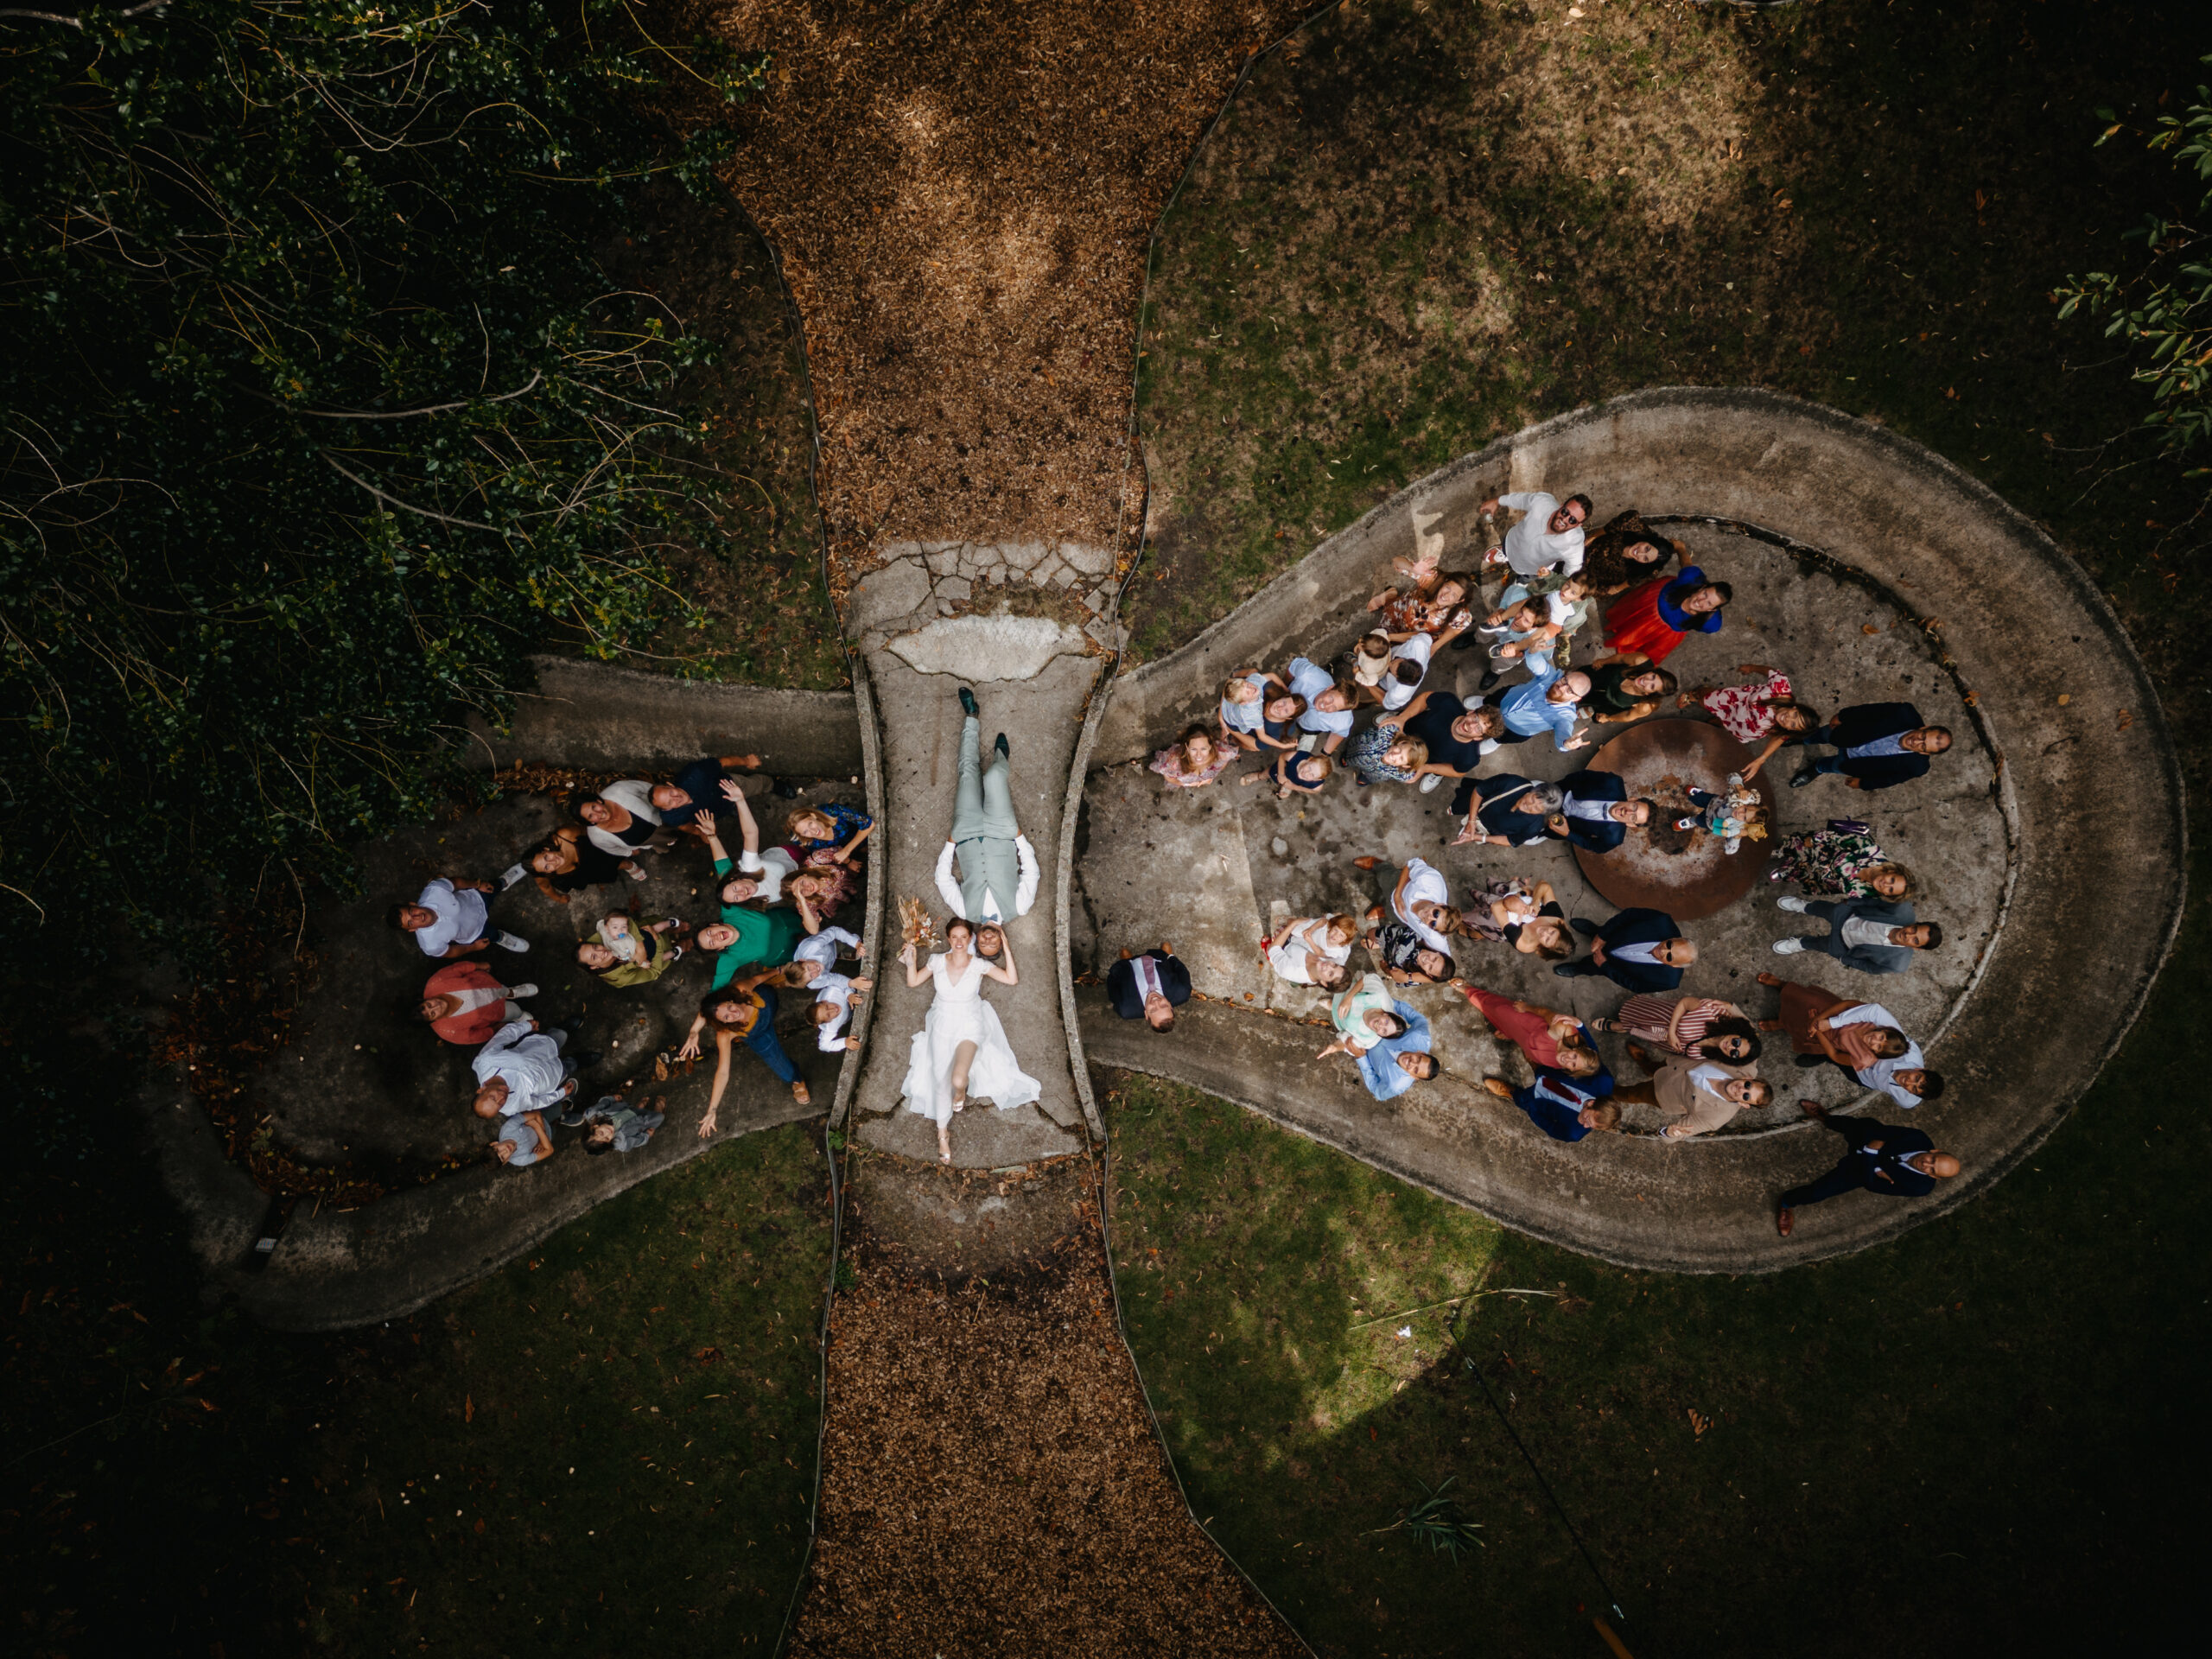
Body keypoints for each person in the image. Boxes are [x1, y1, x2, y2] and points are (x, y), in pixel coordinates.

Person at [898, 917, 1039, 1164]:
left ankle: (960, 1092)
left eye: (964, 937)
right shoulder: (937, 961)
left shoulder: (979, 966)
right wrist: (911, 960)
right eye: (955, 937)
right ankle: (943, 1134)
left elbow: (1011, 979)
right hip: (941, 1024)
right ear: (949, 938)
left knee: (958, 1079)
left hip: (969, 1025)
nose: (960, 942)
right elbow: (913, 982)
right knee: (940, 1080)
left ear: (970, 939)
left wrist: (1005, 945)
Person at [1755, 974, 1943, 1109]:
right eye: (1917, 1078)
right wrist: (1828, 1023)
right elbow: (1873, 1011)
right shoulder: (1905, 1049)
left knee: (1829, 1052)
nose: (1909, 1082)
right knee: (1814, 1008)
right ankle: (1782, 986)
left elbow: (1838, 1057)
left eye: (1914, 1089)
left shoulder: (1907, 1100)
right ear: (1920, 1069)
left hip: (1860, 1073)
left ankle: (1790, 1030)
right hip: (1855, 1039)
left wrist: (1820, 1029)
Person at [937, 687, 1041, 926]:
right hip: (1003, 833)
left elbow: (943, 880)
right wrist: (1019, 838)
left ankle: (971, 717)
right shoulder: (1020, 908)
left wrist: (950, 843)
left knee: (967, 773)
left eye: (984, 945)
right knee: (993, 776)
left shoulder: (965, 912)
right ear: (1000, 941)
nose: (988, 941)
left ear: (978, 941)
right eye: (993, 945)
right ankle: (1000, 759)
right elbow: (1031, 873)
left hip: (966, 835)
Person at [1775, 1101, 1961, 1236]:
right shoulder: (1918, 1138)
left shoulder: (1921, 1187)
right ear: (1935, 1150)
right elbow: (1878, 1133)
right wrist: (1877, 1168)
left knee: (1817, 1193)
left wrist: (1872, 1155)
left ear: (1936, 1177)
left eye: (1932, 1170)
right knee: (1858, 1127)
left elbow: (1872, 1186)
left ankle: (1786, 1203)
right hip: (1865, 1142)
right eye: (1932, 1159)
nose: (1926, 1164)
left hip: (1860, 1170)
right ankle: (1824, 1117)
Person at [682, 964, 812, 1138]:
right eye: (727, 1017)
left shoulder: (742, 990)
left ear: (730, 999)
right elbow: (722, 1072)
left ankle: (780, 982)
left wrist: (779, 971)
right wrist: (712, 1109)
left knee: (770, 985)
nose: (733, 1013)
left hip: (768, 1002)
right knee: (785, 1071)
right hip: (759, 1035)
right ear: (724, 1023)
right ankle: (797, 1081)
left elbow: (758, 979)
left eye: (729, 1007)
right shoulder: (724, 1035)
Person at [696, 810, 809, 973]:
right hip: (802, 882)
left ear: (713, 925)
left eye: (710, 933)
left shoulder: (748, 868)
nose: (740, 893)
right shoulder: (744, 901)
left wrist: (713, 837)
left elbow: (723, 868)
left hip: (793, 860)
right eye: (712, 943)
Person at [1682, 664, 1817, 779]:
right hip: (1737, 702)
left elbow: (1780, 738)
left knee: (1721, 726)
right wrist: (1752, 668)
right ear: (1795, 707)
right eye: (1794, 715)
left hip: (1744, 728)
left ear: (1791, 730)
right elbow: (1771, 672)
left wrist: (1761, 759)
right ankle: (1694, 694)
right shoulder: (1780, 687)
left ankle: (1718, 722)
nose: (1788, 719)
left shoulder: (1781, 729)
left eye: (1793, 724)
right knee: (1705, 700)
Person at [1456, 984, 1610, 1084]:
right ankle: (1469, 990)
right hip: (1526, 1022)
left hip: (1522, 1038)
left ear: (1573, 1071)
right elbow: (1545, 1013)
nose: (1568, 1059)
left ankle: (1508, 1032)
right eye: (1575, 1056)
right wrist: (1526, 1007)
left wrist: (1513, 1036)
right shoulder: (1565, 1030)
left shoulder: (1559, 1066)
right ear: (1577, 1049)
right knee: (1496, 1008)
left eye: (1573, 1064)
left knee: (1503, 1027)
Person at [1787, 703, 1952, 791]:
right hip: (1847, 733)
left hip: (1857, 763)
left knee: (1834, 765)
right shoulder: (1904, 712)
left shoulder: (1917, 767)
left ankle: (1817, 768)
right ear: (1923, 728)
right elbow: (1869, 711)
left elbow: (1889, 779)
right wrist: (1843, 716)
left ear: (1924, 752)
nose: (1915, 741)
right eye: (1922, 736)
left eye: (1922, 745)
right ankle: (1804, 739)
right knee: (1823, 735)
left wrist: (1863, 784)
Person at [1611, 1052, 1772, 1138]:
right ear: (1749, 1078)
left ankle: (1605, 1089)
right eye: (1748, 1086)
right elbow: (1749, 1031)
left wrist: (1669, 1133)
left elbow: (1677, 1135)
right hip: (1675, 1064)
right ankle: (1645, 1064)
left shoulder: (1715, 1118)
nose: (1741, 1089)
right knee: (1654, 1067)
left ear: (1744, 1105)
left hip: (1663, 1093)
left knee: (1632, 1094)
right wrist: (1727, 1005)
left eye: (1746, 1096)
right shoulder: (1746, 1066)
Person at [1398, 685, 1504, 810]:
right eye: (1475, 718)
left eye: (1479, 728)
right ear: (1471, 712)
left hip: (1420, 758)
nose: (1471, 725)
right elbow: (1426, 697)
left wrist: (1424, 768)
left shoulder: (1470, 757)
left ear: (1478, 738)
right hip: (1405, 730)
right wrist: (1401, 719)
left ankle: (1436, 773)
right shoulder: (1449, 702)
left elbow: (1458, 771)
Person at [1771, 894, 1939, 973]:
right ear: (1915, 923)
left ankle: (1801, 943)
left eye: (1915, 940)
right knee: (1823, 908)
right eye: (1914, 929)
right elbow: (1874, 901)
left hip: (1845, 945)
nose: (1908, 935)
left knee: (1820, 944)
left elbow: (1870, 968)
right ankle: (1804, 906)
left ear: (1917, 949)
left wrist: (1845, 959)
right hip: (1848, 915)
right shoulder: (1901, 909)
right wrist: (1851, 902)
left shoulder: (1897, 964)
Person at [472, 1015, 594, 1121]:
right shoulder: (511, 1107)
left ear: (481, 1090)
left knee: (559, 1036)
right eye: (499, 1105)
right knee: (570, 1066)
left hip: (540, 1047)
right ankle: (577, 1060)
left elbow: (502, 1038)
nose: (501, 1098)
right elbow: (537, 1102)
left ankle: (564, 1029)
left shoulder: (486, 1062)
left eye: (493, 1097)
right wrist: (560, 1093)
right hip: (552, 1075)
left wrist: (526, 1027)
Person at [1602, 565, 1731, 664]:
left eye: (1709, 603)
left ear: (1712, 610)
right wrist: (1680, 549)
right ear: (1701, 588)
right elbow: (1686, 563)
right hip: (1650, 602)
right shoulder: (1690, 577)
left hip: (1666, 633)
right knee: (1626, 615)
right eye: (1705, 594)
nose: (1701, 601)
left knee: (1650, 652)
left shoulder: (1711, 623)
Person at [390, 874, 528, 959]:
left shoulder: (434, 890)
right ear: (412, 930)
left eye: (411, 912)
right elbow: (450, 952)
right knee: (492, 936)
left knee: (493, 886)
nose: (417, 917)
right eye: (410, 923)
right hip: (475, 932)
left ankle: (504, 881)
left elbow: (455, 882)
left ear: (413, 904)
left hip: (477, 898)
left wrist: (477, 884)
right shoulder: (429, 945)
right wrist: (473, 947)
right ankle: (500, 938)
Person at [1591, 995, 1762, 1064]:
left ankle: (1620, 1027)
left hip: (1659, 1037)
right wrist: (1672, 1032)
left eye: (1734, 1053)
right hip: (1664, 1016)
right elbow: (1685, 1002)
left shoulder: (1709, 1055)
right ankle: (1621, 1025)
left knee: (1635, 1029)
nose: (1731, 1047)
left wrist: (1669, 1041)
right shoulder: (1713, 1014)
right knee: (1636, 1014)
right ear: (1737, 1033)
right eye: (1737, 1042)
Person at [1767, 823, 1913, 902]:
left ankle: (1789, 870)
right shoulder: (1870, 850)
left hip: (1821, 876)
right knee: (1797, 848)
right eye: (1892, 880)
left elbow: (1839, 890)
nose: (1886, 884)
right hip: (1819, 851)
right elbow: (1836, 837)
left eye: (1891, 889)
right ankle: (1784, 850)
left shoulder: (1870, 895)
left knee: (1805, 874)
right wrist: (1815, 839)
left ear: (1888, 895)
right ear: (1892, 871)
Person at [1554, 908, 1695, 989]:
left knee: (1592, 967)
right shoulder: (1662, 921)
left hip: (1614, 966)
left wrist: (1605, 967)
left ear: (1675, 966)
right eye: (1670, 944)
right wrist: (1602, 935)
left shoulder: (1668, 981)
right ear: (1676, 938)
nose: (1663, 950)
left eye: (1669, 957)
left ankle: (1580, 968)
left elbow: (1634, 985)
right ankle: (1594, 932)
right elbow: (1628, 915)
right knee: (1603, 933)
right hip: (1614, 936)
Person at [1354, 855, 1461, 962]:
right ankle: (1376, 864)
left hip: (1400, 916)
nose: (1429, 917)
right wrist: (1397, 895)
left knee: (1391, 914)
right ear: (1440, 904)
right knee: (1384, 875)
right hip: (1398, 885)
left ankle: (1384, 910)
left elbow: (1446, 962)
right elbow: (1411, 865)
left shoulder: (1433, 936)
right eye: (1436, 913)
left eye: (1433, 924)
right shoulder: (1431, 881)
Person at [417, 962, 538, 1046]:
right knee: (515, 1010)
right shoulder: (449, 1032)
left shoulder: (435, 984)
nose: (436, 1006)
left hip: (487, 984)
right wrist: (496, 1028)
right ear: (434, 1021)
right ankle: (519, 1016)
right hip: (496, 1012)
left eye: (428, 1005)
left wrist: (478, 965)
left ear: (423, 1000)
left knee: (503, 989)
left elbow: (457, 969)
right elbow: (476, 1036)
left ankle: (512, 992)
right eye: (433, 1013)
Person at [1478, 488, 1590, 580]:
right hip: (1511, 544)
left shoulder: (1574, 544)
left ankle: (1521, 582)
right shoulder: (1541, 502)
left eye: (1572, 520)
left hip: (1530, 570)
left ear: (1577, 525)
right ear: (1561, 506)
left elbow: (1572, 571)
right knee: (1506, 549)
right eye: (1565, 512)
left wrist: (1563, 587)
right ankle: (1504, 555)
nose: (1565, 519)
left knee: (1525, 578)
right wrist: (1497, 501)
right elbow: (1521, 500)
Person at [1479, 1072, 1621, 1142]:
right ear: (1591, 1104)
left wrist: (1531, 1109)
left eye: (1591, 1126)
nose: (1585, 1125)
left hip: (1538, 1101)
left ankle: (1508, 1091)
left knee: (1521, 1098)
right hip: (1552, 1074)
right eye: (1588, 1119)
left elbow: (1548, 1126)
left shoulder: (1573, 1133)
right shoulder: (1603, 1083)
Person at [1496, 652, 1592, 752]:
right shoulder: (1551, 676)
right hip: (1505, 697)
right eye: (1565, 680)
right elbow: (1535, 661)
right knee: (1486, 703)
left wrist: (1566, 744)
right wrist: (1533, 649)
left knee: (1498, 738)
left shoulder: (1564, 716)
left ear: (1576, 699)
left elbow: (1563, 734)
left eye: (1570, 690)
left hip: (1515, 731)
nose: (1562, 687)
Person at [1577, 509, 1681, 596]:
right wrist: (1592, 537)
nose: (1639, 553)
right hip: (1585, 549)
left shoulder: (1642, 572)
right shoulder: (1632, 526)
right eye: (1647, 548)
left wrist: (1584, 589)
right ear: (1649, 541)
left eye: (1645, 559)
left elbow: (1614, 589)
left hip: (1586, 576)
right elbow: (1608, 529)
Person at [1348, 1001, 1437, 1101]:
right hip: (1375, 1019)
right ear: (1421, 1052)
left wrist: (1361, 1058)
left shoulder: (1396, 1085)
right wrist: (1385, 1003)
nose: (1412, 1063)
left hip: (1359, 1042)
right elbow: (1419, 1019)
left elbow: (1377, 1092)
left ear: (1414, 1077)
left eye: (1415, 1070)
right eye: (1418, 1059)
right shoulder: (1420, 1036)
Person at [1548, 769, 1653, 853]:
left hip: (1562, 826)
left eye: (1633, 817)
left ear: (1631, 824)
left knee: (1539, 831)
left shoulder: (1614, 839)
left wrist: (1567, 833)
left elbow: (1593, 846)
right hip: (1561, 793)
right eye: (1634, 807)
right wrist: (1556, 788)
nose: (1628, 812)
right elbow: (1583, 775)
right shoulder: (1613, 782)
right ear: (1633, 799)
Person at [652, 753, 764, 832]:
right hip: (719, 810)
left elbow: (722, 762)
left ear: (670, 785)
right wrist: (699, 832)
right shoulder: (670, 816)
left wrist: (747, 761)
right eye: (670, 802)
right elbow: (682, 825)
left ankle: (772, 784)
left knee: (757, 785)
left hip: (732, 787)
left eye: (671, 793)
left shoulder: (695, 773)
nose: (676, 798)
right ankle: (731, 808)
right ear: (667, 809)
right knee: (727, 809)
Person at [575, 912, 685, 988]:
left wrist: (641, 946)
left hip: (648, 929)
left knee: (678, 927)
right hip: (658, 953)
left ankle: (674, 927)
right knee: (684, 946)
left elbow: (624, 920)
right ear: (594, 966)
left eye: (596, 947)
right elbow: (653, 973)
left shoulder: (593, 942)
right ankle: (676, 951)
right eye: (594, 957)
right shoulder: (618, 978)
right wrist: (656, 940)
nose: (600, 952)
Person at [1469, 599, 1561, 690]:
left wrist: (1520, 653)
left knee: (1510, 659)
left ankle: (1495, 672)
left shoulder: (1541, 640)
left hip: (1521, 647)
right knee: (1489, 623)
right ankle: (1475, 638)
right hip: (1505, 632)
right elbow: (1506, 599)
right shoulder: (1518, 596)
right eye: (1521, 613)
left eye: (1526, 621)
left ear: (1535, 626)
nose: (1518, 620)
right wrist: (1501, 611)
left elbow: (1541, 660)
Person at [529, 825, 637, 901]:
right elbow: (546, 887)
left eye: (546, 857)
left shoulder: (565, 834)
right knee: (604, 872)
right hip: (583, 874)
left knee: (611, 860)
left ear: (546, 849)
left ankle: (627, 864)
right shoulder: (542, 876)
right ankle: (625, 865)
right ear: (546, 873)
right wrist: (559, 898)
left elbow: (590, 830)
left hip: (591, 853)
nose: (553, 862)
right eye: (547, 867)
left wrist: (622, 845)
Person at [1457, 774, 1561, 849]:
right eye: (1533, 800)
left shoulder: (1534, 826)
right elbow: (1480, 791)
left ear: (1542, 813)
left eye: (1537, 809)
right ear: (1531, 791)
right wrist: (1471, 820)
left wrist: (1478, 837)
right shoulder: (1513, 783)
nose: (1530, 806)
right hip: (1476, 807)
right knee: (1458, 805)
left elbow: (1511, 840)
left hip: (1489, 832)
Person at [1317, 972, 1405, 1058]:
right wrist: (1348, 998)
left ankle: (1333, 1006)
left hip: (1341, 1018)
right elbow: (1367, 979)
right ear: (1386, 1014)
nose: (1381, 1026)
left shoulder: (1369, 1040)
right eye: (1386, 1021)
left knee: (1337, 1009)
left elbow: (1347, 1041)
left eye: (1384, 1031)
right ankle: (1334, 1003)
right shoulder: (1379, 995)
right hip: (1347, 993)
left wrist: (1335, 1047)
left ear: (1381, 1036)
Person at [1676, 773, 1765, 856]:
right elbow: (1733, 775)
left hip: (1709, 821)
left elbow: (1729, 851)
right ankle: (1697, 794)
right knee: (1696, 798)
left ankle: (1690, 821)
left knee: (1698, 820)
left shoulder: (1738, 828)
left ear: (1746, 824)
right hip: (1712, 801)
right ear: (1747, 804)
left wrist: (1737, 836)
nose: (1740, 813)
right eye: (1745, 809)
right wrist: (1740, 788)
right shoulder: (1739, 798)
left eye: (1744, 817)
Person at [1109, 944, 1192, 1031]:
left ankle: (1127, 960)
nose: (1156, 1001)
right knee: (1163, 953)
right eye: (1164, 1005)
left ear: (1146, 1014)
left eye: (1153, 1010)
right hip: (1158, 960)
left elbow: (1112, 986)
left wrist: (1117, 970)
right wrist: (1170, 957)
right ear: (1170, 1005)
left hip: (1129, 968)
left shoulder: (1125, 1009)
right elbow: (1182, 970)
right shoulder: (1183, 992)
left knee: (1126, 960)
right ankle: (1164, 953)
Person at [1262, 914, 1357, 991]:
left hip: (1284, 948)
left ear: (1324, 983)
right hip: (1297, 940)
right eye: (1334, 966)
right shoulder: (1338, 957)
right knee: (1308, 921)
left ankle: (1266, 947)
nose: (1328, 966)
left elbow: (1274, 951)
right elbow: (1346, 944)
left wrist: (1292, 925)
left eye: (1330, 974)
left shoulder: (1290, 970)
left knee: (1271, 951)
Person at [577, 779, 665, 861]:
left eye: (594, 807)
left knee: (676, 829)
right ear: (590, 822)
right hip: (651, 842)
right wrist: (628, 853)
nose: (598, 813)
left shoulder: (619, 790)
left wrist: (666, 802)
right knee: (664, 846)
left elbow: (647, 788)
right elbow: (612, 849)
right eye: (590, 816)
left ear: (598, 801)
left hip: (664, 817)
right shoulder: (596, 837)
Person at [1283, 655, 1356, 753]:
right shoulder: (1307, 673)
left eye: (1334, 708)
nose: (1327, 705)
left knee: (1306, 739)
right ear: (1330, 688)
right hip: (1286, 703)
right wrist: (1282, 690)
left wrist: (1326, 752)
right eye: (1331, 698)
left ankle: (1309, 736)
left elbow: (1341, 733)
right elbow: (1293, 667)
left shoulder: (1343, 720)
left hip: (1308, 727)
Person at [1583, 653, 1677, 725]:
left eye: (1652, 686)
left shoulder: (1645, 706)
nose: (1646, 681)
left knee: (1594, 708)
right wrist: (1603, 661)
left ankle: (1590, 708)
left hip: (1605, 702)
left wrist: (1608, 718)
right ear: (1653, 671)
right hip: (1600, 675)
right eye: (1653, 677)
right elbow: (1621, 658)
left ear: (1650, 694)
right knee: (1579, 676)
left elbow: (1628, 716)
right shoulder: (1640, 660)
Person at [1367, 920, 1454, 987]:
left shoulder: (1414, 977)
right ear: (1438, 953)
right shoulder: (1430, 939)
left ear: (1428, 974)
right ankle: (1377, 943)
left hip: (1389, 954)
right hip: (1391, 934)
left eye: (1430, 967)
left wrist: (1386, 969)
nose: (1428, 961)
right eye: (1434, 959)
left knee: (1369, 940)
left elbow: (1396, 977)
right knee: (1370, 933)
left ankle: (1379, 945)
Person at [1151, 724, 1236, 789]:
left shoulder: (1222, 754)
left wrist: (1211, 777)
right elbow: (1169, 778)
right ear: (1187, 748)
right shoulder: (1173, 762)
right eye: (1193, 749)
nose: (1199, 755)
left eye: (1203, 749)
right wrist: (1185, 784)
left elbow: (1223, 762)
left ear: (1210, 746)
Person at [1344, 721, 1428, 787]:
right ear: (1401, 742)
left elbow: (1409, 776)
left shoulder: (1400, 773)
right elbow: (1390, 727)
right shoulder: (1386, 737)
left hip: (1377, 773)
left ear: (1406, 766)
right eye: (1399, 749)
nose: (1395, 755)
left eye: (1402, 758)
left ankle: (1366, 778)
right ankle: (1347, 759)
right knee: (1353, 756)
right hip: (1361, 752)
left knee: (1373, 777)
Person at [580, 1093, 667, 1155]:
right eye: (607, 1139)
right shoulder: (622, 1143)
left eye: (601, 1133)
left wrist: (612, 1098)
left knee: (634, 1109)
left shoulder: (593, 1113)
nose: (608, 1133)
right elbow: (636, 1141)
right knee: (659, 1117)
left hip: (626, 1110)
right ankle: (658, 1109)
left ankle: (640, 1106)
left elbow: (603, 1103)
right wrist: (646, 1135)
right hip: (641, 1123)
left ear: (595, 1127)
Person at [1377, 633, 1434, 715]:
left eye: (1391, 667)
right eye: (1395, 661)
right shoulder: (1419, 644)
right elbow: (1420, 636)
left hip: (1383, 683)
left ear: (1398, 679)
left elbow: (1386, 702)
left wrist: (1368, 684)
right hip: (1392, 650)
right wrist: (1389, 637)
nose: (1389, 664)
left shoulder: (1398, 694)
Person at [1241, 749, 1332, 798]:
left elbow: (1314, 791)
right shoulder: (1295, 756)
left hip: (1293, 783)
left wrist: (1293, 787)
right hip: (1284, 769)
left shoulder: (1317, 785)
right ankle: (1259, 776)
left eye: (1312, 775)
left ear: (1317, 780)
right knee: (1269, 772)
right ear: (1309, 760)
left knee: (1287, 787)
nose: (1306, 773)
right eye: (1309, 767)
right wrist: (1281, 775)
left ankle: (1286, 788)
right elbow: (1282, 757)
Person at [490, 1109, 554, 1169]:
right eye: (503, 1157)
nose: (505, 1151)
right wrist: (536, 1127)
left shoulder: (508, 1128)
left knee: (558, 1109)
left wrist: (542, 1142)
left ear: (494, 1144)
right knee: (556, 1127)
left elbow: (537, 1114)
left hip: (543, 1118)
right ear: (505, 1162)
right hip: (548, 1138)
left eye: (498, 1150)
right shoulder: (520, 1160)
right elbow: (550, 1150)